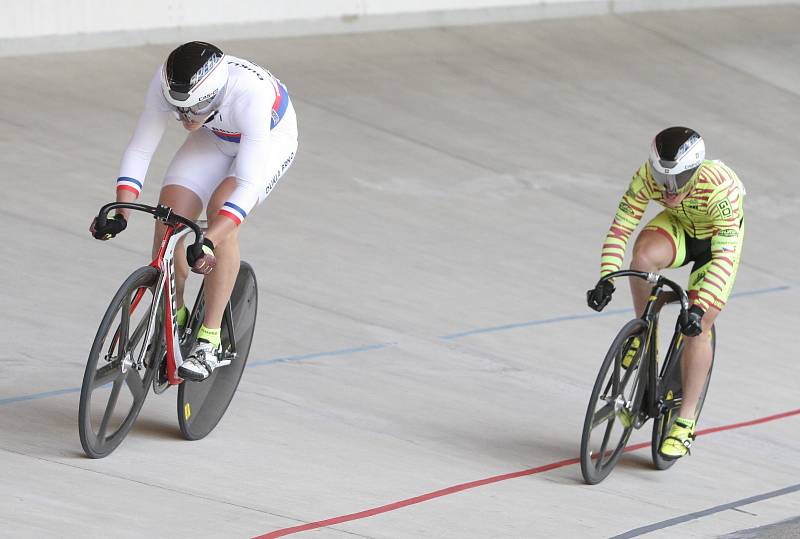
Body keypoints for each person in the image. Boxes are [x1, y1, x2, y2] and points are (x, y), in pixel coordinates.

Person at [90, 41, 298, 381]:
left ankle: (209, 341)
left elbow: (246, 186)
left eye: (193, 109)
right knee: (168, 216)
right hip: (215, 136)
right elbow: (141, 148)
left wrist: (210, 239)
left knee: (221, 213)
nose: (185, 119)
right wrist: (122, 211)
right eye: (178, 110)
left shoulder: (250, 96)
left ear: (213, 95)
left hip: (269, 140)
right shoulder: (165, 83)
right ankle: (177, 314)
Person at [587, 126, 745, 460]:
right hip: (680, 228)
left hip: (715, 247)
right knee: (642, 258)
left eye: (678, 180)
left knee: (698, 329)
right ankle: (643, 332)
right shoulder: (646, 176)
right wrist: (607, 278)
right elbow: (621, 227)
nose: (669, 190)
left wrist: (699, 309)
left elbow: (725, 259)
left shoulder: (721, 188)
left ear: (696, 169)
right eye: (663, 178)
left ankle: (685, 421)